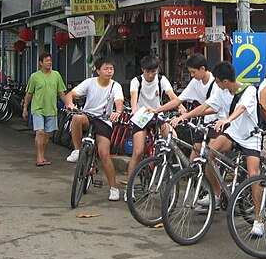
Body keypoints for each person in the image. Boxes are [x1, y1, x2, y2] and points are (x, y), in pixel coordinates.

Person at [211, 61, 265, 232]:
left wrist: (227, 120)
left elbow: (241, 108)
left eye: (218, 81)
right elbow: (208, 105)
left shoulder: (249, 90)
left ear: (225, 81)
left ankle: (258, 219)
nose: (217, 84)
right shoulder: (223, 92)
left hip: (251, 137)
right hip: (234, 134)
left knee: (253, 175)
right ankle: (217, 193)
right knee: (207, 152)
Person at [62, 56, 125, 201]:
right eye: (106, 68)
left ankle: (114, 188)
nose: (109, 71)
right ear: (98, 71)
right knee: (76, 118)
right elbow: (70, 95)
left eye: (111, 68)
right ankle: (78, 150)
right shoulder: (90, 83)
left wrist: (118, 111)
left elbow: (119, 101)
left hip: (104, 121)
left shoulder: (115, 86)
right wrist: (70, 104)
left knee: (104, 154)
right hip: (88, 116)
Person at [126, 55, 179, 197]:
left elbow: (172, 95)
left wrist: (181, 108)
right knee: (138, 152)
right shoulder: (136, 81)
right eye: (147, 71)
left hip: (157, 115)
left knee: (173, 138)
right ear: (142, 70)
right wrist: (135, 112)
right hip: (141, 117)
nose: (150, 75)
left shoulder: (162, 80)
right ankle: (129, 189)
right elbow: (133, 99)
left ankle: (163, 163)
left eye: (153, 71)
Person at [168, 53, 232, 161]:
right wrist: (156, 110)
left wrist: (188, 114)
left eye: (193, 72)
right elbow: (178, 100)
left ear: (202, 69)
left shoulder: (216, 84)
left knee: (210, 157)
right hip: (205, 123)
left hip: (219, 123)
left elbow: (213, 108)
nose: (192, 75)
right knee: (193, 159)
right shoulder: (195, 82)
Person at [22, 52, 67, 166]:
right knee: (40, 132)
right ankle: (39, 157)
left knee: (47, 135)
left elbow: (61, 92)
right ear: (40, 63)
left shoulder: (56, 75)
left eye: (50, 60)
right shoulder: (34, 76)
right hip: (38, 108)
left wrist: (68, 104)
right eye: (46, 61)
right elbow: (29, 94)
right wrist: (25, 108)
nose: (49, 63)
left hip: (51, 109)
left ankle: (43, 155)